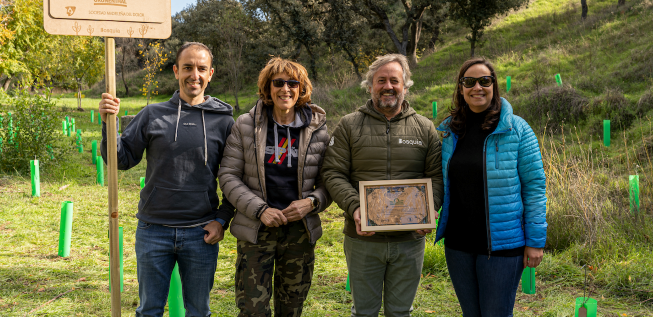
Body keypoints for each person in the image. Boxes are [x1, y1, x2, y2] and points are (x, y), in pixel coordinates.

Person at [99, 42, 235, 317]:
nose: (193, 75)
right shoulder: (152, 114)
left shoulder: (225, 122)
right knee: (149, 310)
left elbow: (235, 177)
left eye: (201, 69)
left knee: (198, 311)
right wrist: (108, 123)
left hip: (201, 233)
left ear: (210, 74)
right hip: (153, 231)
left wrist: (222, 220)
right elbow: (122, 160)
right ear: (176, 71)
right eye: (187, 68)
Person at [321, 53, 443, 317]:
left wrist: (429, 208)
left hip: (409, 241)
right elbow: (333, 172)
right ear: (370, 85)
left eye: (394, 80)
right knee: (364, 312)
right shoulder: (349, 125)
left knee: (401, 312)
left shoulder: (424, 128)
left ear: (405, 85)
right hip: (363, 239)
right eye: (381, 80)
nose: (388, 86)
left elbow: (436, 176)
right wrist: (355, 207)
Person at [217, 57, 331, 317]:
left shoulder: (318, 130)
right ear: (267, 88)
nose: (286, 89)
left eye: (293, 83)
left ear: (302, 89)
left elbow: (329, 181)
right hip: (257, 231)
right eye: (278, 83)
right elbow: (228, 176)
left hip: (299, 232)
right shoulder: (246, 125)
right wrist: (260, 210)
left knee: (291, 308)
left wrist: (311, 203)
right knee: (252, 309)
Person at [434, 57, 547, 317]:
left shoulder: (517, 129)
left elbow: (534, 187)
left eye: (484, 81)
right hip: (458, 244)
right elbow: (437, 181)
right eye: (469, 82)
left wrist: (535, 241)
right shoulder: (449, 131)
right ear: (461, 88)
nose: (478, 87)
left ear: (494, 85)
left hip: (503, 247)